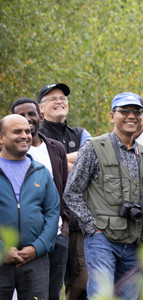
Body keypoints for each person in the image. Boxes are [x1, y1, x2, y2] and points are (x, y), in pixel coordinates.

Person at [64, 93, 143, 299]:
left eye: (137, 111)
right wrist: (92, 228)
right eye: (124, 111)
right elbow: (72, 192)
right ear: (112, 116)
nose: (132, 116)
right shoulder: (93, 148)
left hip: (135, 242)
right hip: (102, 240)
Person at [36, 82, 92, 299]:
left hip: (78, 221)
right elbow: (38, 166)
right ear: (41, 108)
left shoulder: (79, 133)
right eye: (53, 99)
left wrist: (55, 160)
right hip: (48, 223)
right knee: (49, 284)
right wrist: (70, 162)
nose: (59, 102)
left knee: (81, 283)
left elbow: (89, 162)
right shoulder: (35, 135)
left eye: (63, 98)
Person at [10, 98, 70, 300]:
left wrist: (65, 225)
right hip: (20, 241)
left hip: (55, 235)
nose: (27, 120)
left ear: (41, 116)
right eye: (21, 116)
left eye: (31, 114)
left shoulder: (55, 149)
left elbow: (64, 190)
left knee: (51, 293)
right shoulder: (8, 154)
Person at [0, 115, 60, 300]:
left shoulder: (41, 172)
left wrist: (38, 247)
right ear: (1, 137)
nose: (25, 135)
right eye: (17, 131)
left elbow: (53, 213)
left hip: (35, 259)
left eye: (27, 131)